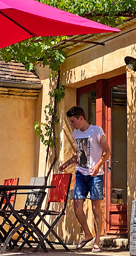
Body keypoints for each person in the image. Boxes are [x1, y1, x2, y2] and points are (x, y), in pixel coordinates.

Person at [59, 106, 110, 253]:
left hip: (95, 175)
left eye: (73, 121)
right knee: (77, 207)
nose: (72, 124)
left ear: (81, 118)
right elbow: (79, 154)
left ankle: (97, 242)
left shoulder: (96, 131)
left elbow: (107, 151)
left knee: (95, 209)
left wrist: (98, 166)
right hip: (80, 173)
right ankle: (87, 234)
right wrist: (67, 163)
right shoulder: (75, 133)